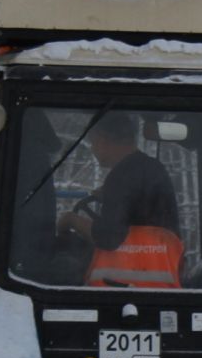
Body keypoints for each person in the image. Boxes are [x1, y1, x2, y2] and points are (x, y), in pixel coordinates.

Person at [57, 113, 185, 287]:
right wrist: (109, 197)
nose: (93, 149)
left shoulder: (120, 176)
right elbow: (145, 213)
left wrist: (71, 220)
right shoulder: (152, 168)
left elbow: (108, 237)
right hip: (163, 282)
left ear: (102, 140)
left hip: (123, 287)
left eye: (93, 143)